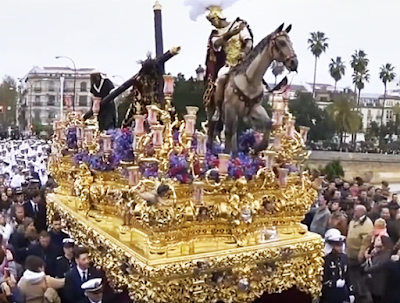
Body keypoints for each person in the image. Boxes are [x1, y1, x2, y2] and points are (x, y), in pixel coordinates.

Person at [197, 2, 253, 119]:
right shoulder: (216, 34)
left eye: (213, 21)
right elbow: (217, 44)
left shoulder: (238, 24)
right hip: (229, 65)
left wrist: (244, 52)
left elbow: (248, 41)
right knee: (220, 80)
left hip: (243, 63)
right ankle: (218, 109)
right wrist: (230, 34)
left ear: (217, 17)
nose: (212, 24)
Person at [320, 229, 354, 303]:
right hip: (329, 295)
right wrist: (334, 283)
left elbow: (348, 276)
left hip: (342, 293)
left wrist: (351, 293)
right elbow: (322, 280)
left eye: (340, 244)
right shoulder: (325, 260)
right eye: (337, 245)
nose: (340, 248)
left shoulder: (344, 258)